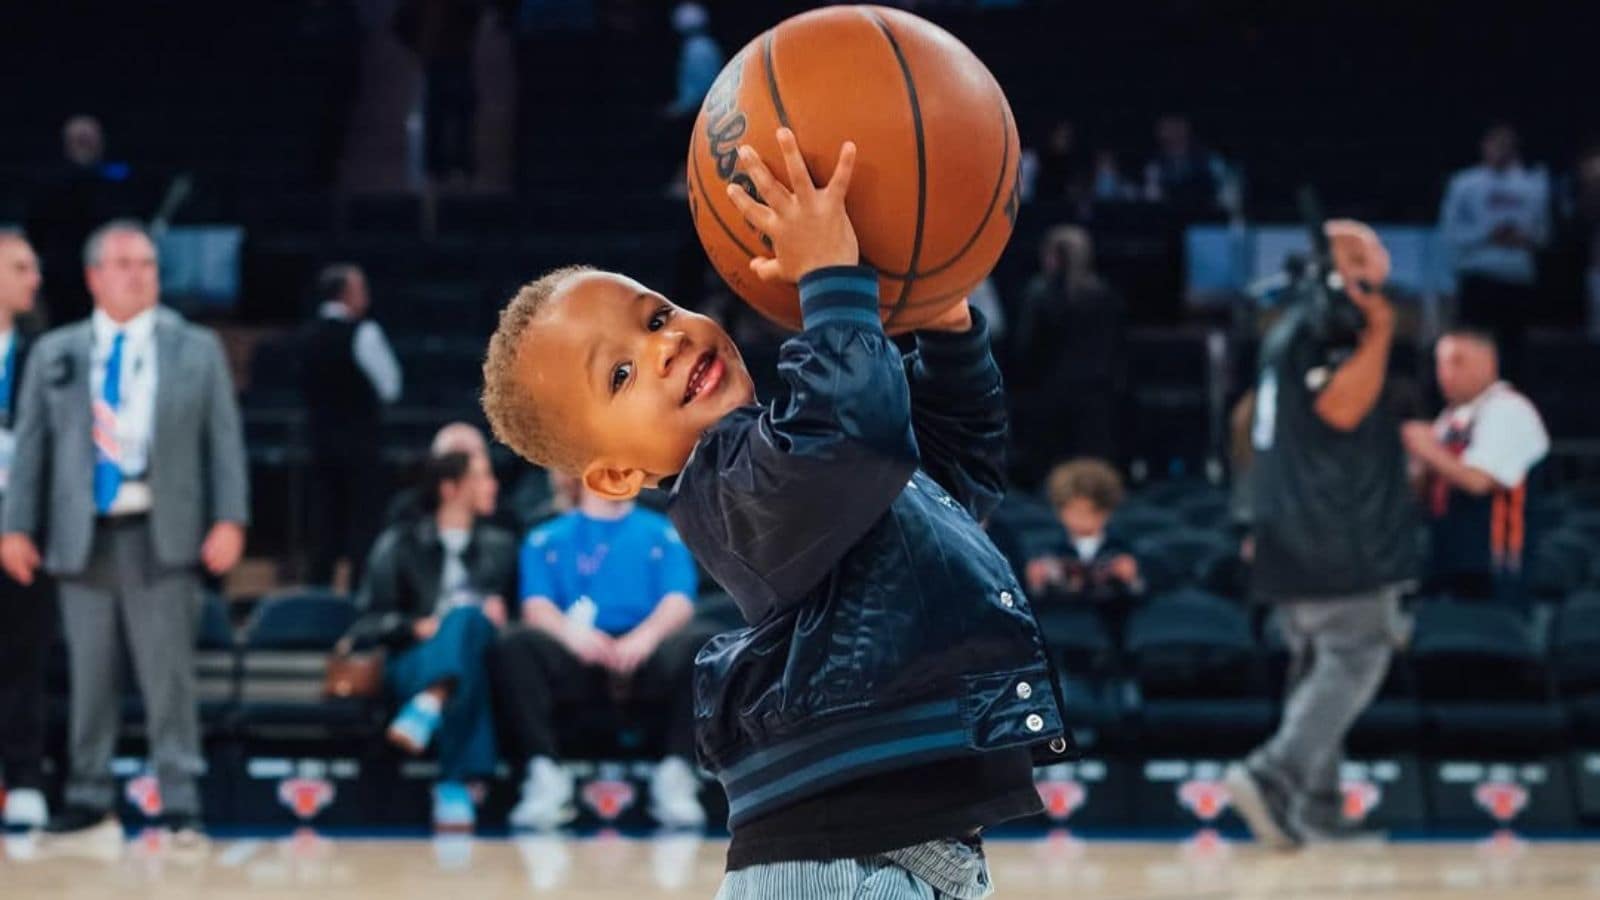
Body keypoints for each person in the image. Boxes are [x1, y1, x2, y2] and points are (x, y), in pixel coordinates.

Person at [480, 129, 1069, 895]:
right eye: (620, 373)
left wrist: (945, 325)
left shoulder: (812, 454)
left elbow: (961, 473)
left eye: (656, 317)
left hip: (896, 850)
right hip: (840, 862)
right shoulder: (733, 487)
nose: (662, 346)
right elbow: (856, 425)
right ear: (620, 474)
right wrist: (831, 276)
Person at [0, 220, 249, 849]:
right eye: (123, 263)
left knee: (168, 676)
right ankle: (87, 797)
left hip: (162, 532)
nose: (138, 274)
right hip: (79, 534)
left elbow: (224, 441)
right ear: (93, 277)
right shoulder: (56, 352)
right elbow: (31, 451)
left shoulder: (196, 347)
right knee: (89, 675)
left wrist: (230, 517)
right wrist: (15, 527)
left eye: (146, 263)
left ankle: (181, 800)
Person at [1225, 221, 1418, 849]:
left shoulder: (1286, 329)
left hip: (1287, 527)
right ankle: (1272, 776)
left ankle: (1318, 812)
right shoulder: (1335, 323)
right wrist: (1383, 330)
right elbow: (1340, 408)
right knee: (1356, 655)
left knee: (1316, 668)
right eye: (1367, 250)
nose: (1382, 258)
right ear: (1340, 266)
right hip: (1338, 531)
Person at [489, 484, 708, 830]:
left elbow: (679, 599)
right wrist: (574, 636)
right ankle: (543, 773)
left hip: (644, 651)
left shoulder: (665, 533)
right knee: (515, 644)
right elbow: (536, 605)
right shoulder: (545, 537)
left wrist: (644, 638)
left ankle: (677, 772)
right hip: (576, 653)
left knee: (702, 642)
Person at [347, 438, 517, 831]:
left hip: (481, 662)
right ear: (451, 488)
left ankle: (431, 703)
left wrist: (502, 619)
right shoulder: (399, 544)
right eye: (481, 478)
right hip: (413, 661)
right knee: (464, 627)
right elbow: (366, 623)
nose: (492, 486)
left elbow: (521, 624)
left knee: (469, 620)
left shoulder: (502, 547)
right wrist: (415, 626)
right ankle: (455, 782)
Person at [1402, 329, 1549, 600]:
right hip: (1448, 560)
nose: (1446, 372)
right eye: (1440, 362)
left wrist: (1428, 448)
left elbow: (1479, 481)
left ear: (1488, 363)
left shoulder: (1509, 410)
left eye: (1458, 361)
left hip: (1495, 565)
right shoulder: (1450, 417)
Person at [299, 264, 402, 588]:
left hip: (318, 443)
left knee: (323, 524)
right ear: (346, 294)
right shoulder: (364, 333)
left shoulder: (307, 335)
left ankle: (318, 595)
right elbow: (390, 386)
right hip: (360, 444)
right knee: (363, 524)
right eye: (361, 289)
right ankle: (361, 596)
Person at [0, 231, 51, 829]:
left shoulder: (46, 351)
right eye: (20, 267)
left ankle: (26, 777)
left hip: (25, 530)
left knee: (24, 658)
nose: (34, 278)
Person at [1009, 225, 1125, 482]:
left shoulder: (1039, 295)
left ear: (1052, 256)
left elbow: (1026, 347)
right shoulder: (1105, 294)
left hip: (1050, 397)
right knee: (1091, 475)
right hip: (1096, 397)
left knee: (1050, 476)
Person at [1438, 124, 1551, 376]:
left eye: (1506, 144)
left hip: (1515, 278)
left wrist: (1523, 237)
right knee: (1472, 344)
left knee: (1512, 351)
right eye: (1494, 143)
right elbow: (1450, 231)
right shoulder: (1464, 183)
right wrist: (1489, 235)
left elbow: (1543, 235)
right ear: (1483, 146)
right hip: (1478, 276)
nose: (1499, 150)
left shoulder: (1533, 184)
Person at [1025, 459, 1143, 604]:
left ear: (1105, 512)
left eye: (1088, 512)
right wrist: (1035, 584)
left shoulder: (1124, 547)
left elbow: (1143, 597)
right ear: (1060, 511)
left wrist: (1132, 579)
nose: (1080, 519)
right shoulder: (1047, 550)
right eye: (1073, 512)